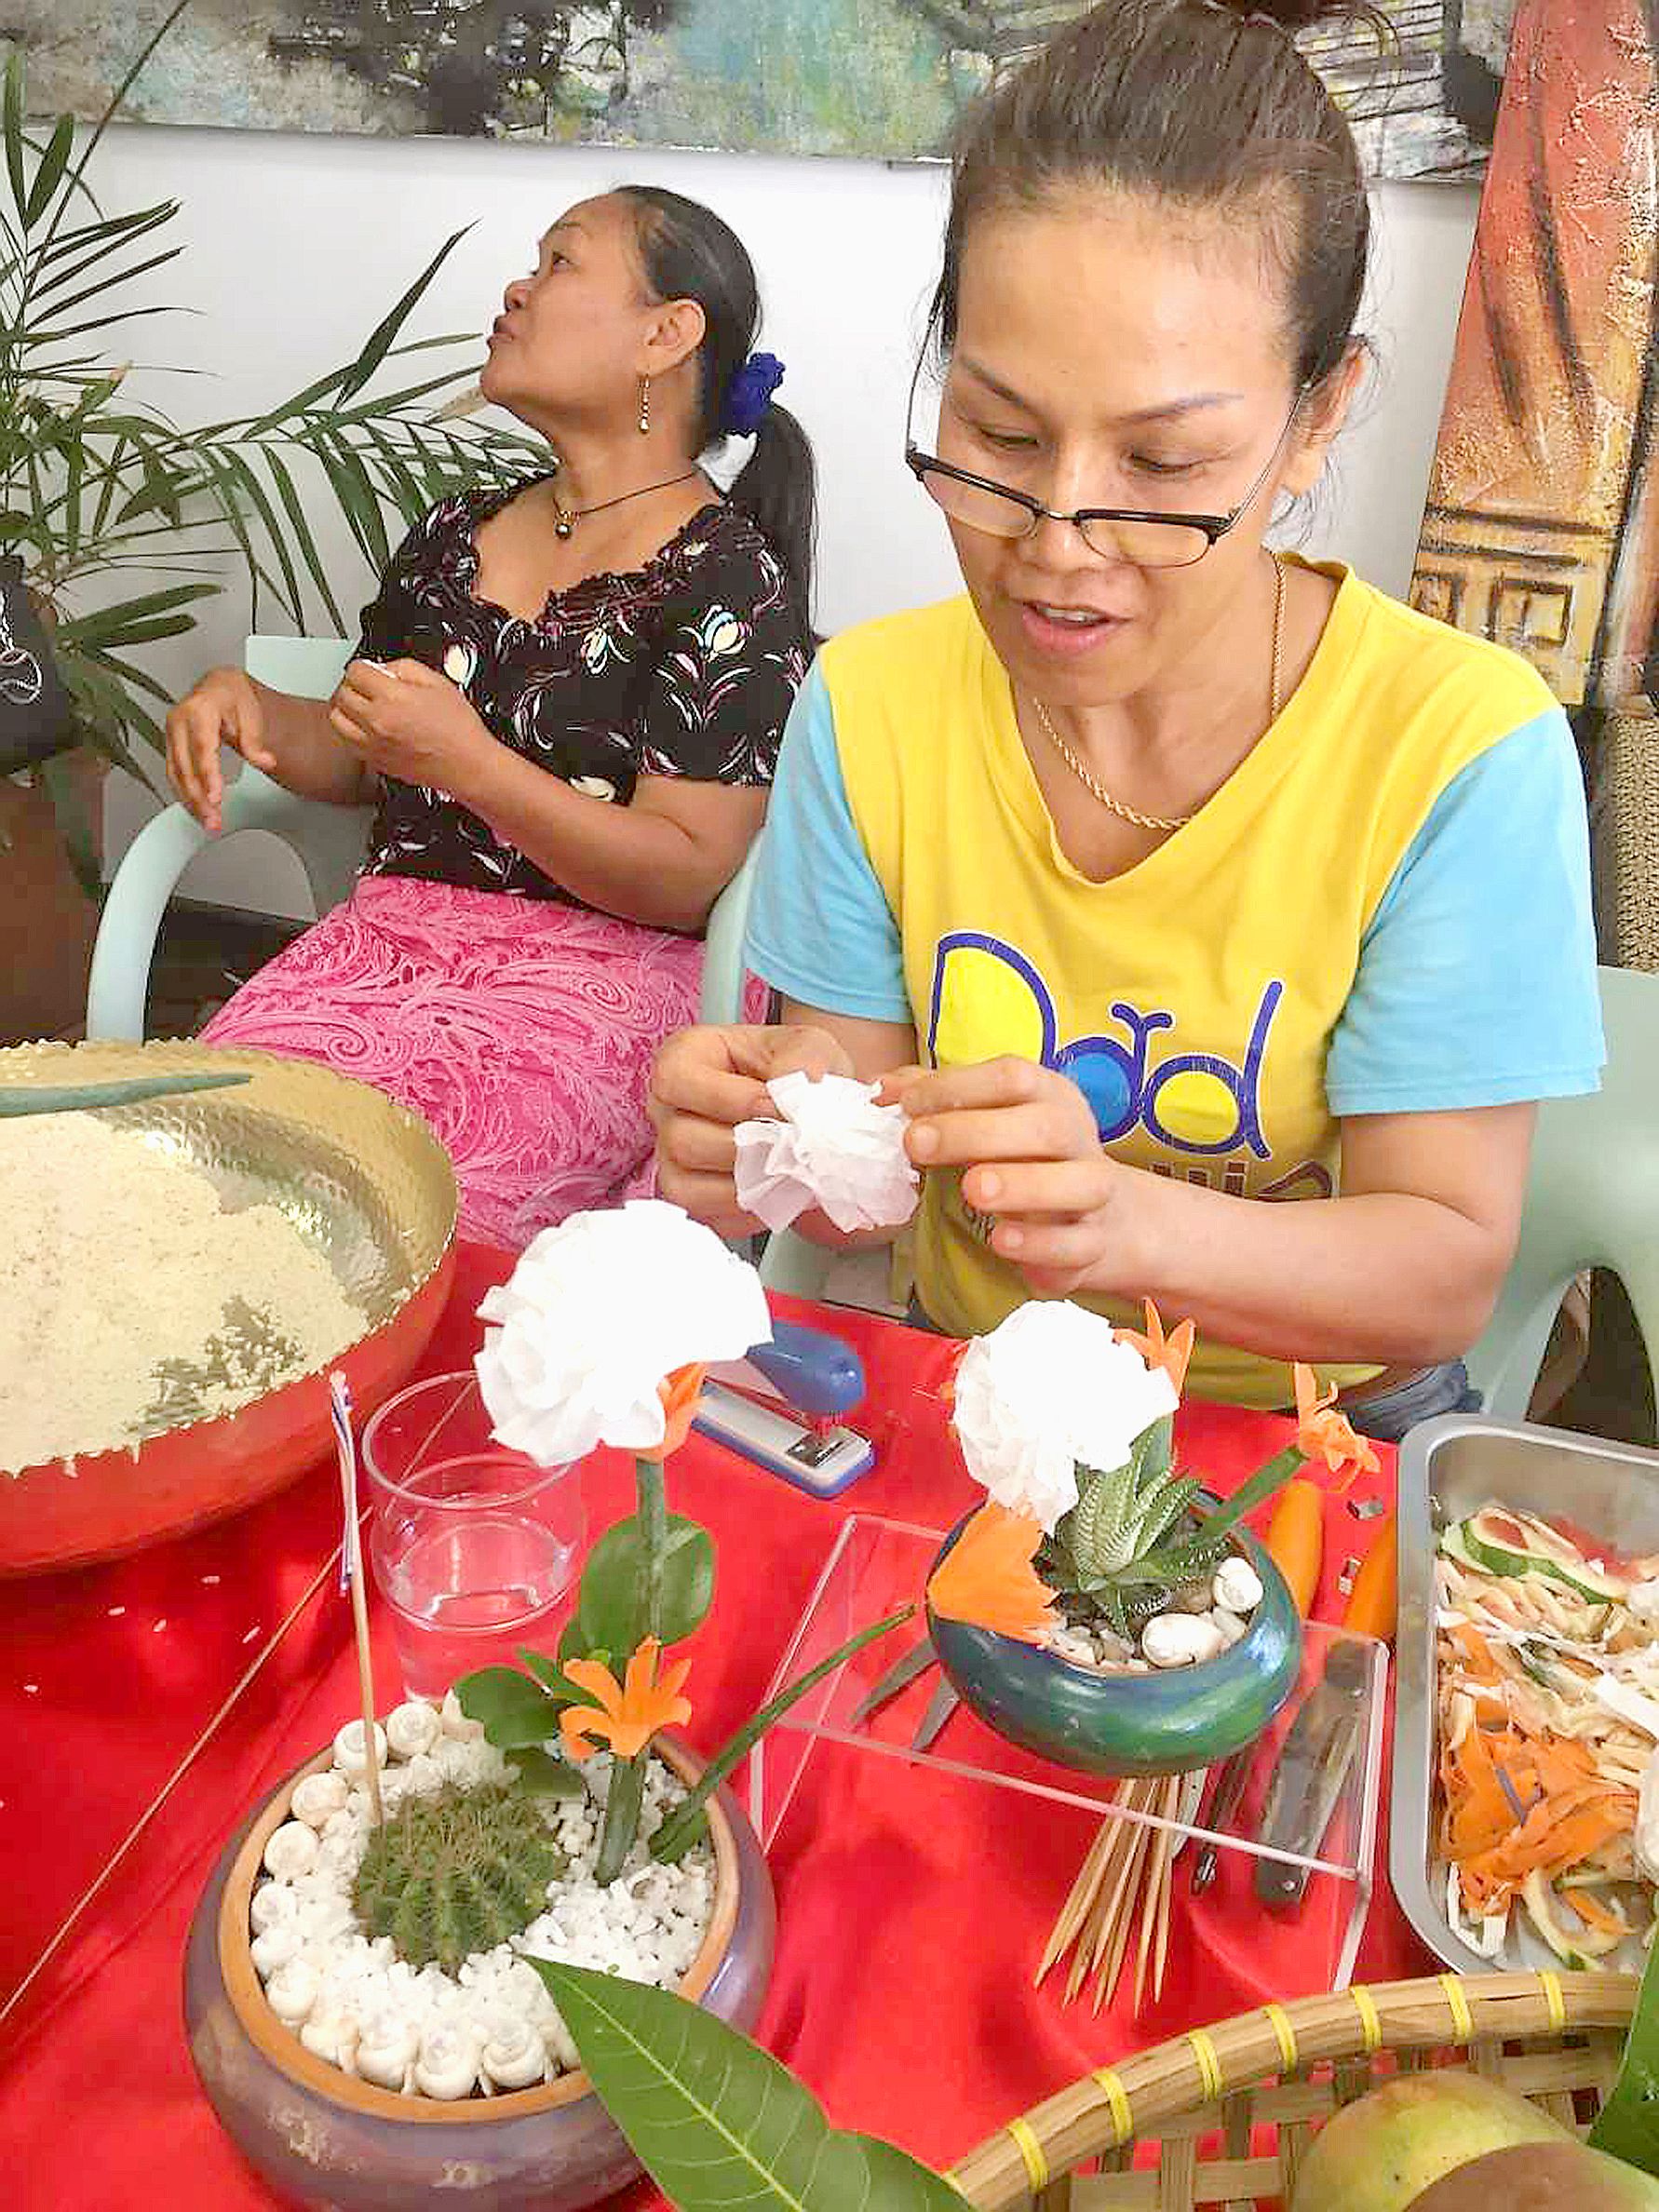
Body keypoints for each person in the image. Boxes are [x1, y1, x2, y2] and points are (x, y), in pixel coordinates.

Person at [649, 0, 1603, 1437]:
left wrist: (1124, 1228)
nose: (1057, 540)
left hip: (1311, 1427)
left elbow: (1436, 1273)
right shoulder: (877, 701)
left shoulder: (1454, 748)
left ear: (1318, 413)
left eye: (1163, 461)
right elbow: (854, 1109)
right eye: (1000, 435)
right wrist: (779, 1130)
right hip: (969, 1390)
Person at [167, 186, 814, 1249]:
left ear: (667, 333)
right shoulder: (454, 533)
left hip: (605, 982)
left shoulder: (729, 578)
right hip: (379, 952)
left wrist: (472, 765)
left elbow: (686, 872)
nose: (517, 288)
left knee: (400, 1236)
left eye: (560, 264)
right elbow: (367, 752)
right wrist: (253, 710)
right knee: (203, 1174)